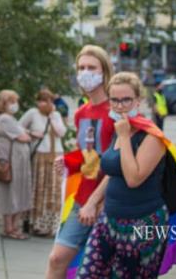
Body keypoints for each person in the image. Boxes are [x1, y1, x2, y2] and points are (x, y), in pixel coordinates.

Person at [76, 72, 168, 278]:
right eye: (114, 100)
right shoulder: (121, 129)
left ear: (138, 100)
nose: (119, 106)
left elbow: (133, 178)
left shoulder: (151, 136)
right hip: (109, 219)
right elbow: (113, 174)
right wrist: (92, 201)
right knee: (87, 274)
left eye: (126, 99)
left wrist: (125, 136)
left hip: (143, 223)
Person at [45, 44, 115, 279]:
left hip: (111, 200)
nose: (85, 72)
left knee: (101, 267)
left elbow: (116, 160)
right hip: (83, 196)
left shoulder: (116, 111)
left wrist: (97, 202)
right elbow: (87, 153)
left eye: (91, 67)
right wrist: (68, 160)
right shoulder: (81, 112)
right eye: (81, 67)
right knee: (57, 259)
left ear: (104, 72)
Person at [20, 88, 66, 236]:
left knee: (54, 190)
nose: (44, 104)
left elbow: (61, 132)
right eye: (41, 100)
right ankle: (36, 225)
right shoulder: (32, 113)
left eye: (48, 101)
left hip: (56, 156)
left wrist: (52, 117)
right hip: (40, 156)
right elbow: (18, 127)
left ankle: (51, 227)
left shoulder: (56, 115)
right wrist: (31, 134)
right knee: (38, 189)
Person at [0, 89, 33, 239]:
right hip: (12, 161)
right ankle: (10, 228)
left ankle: (13, 227)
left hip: (14, 160)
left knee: (14, 193)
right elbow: (23, 137)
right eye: (12, 102)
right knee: (12, 193)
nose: (15, 105)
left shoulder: (7, 118)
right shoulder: (5, 119)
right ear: (4, 103)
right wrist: (26, 134)